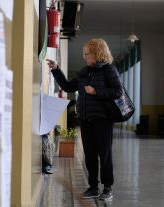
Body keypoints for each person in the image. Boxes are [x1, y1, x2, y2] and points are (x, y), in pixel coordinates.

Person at [47, 38, 121, 201]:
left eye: (87, 54)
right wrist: (56, 69)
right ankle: (93, 187)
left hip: (102, 119)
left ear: (97, 53)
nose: (84, 57)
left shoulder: (109, 70)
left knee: (105, 154)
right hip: (85, 118)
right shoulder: (84, 71)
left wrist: (96, 91)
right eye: (84, 54)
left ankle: (107, 188)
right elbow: (67, 86)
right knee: (90, 154)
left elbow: (118, 92)